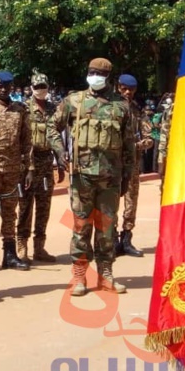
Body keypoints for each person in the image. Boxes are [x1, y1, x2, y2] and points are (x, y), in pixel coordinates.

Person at [52, 58, 134, 296]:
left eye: (99, 73)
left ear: (108, 76)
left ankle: (106, 273)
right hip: (82, 178)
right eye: (91, 72)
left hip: (110, 179)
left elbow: (129, 146)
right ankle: (79, 276)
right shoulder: (74, 101)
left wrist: (127, 176)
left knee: (107, 227)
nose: (94, 76)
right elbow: (51, 127)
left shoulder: (121, 106)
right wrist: (60, 152)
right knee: (80, 226)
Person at [0, 71, 31, 274]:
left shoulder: (20, 110)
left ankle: (10, 254)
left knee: (10, 212)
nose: (3, 89)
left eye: (7, 86)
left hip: (13, 169)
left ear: (12, 87)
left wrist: (29, 168)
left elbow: (27, 142)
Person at [17, 71, 66, 264]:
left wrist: (59, 163)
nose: (40, 90)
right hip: (27, 164)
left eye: (43, 87)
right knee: (25, 206)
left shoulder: (54, 109)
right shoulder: (24, 109)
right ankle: (22, 247)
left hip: (46, 163)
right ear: (31, 88)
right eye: (37, 87)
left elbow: (56, 137)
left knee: (44, 207)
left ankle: (40, 248)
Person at [115, 74, 153, 258]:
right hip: (112, 165)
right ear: (118, 87)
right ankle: (112, 240)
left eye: (131, 89)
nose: (127, 92)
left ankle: (127, 239)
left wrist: (133, 146)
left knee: (131, 203)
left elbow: (149, 139)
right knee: (111, 203)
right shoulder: (109, 108)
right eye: (124, 88)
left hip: (132, 165)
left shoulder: (138, 112)